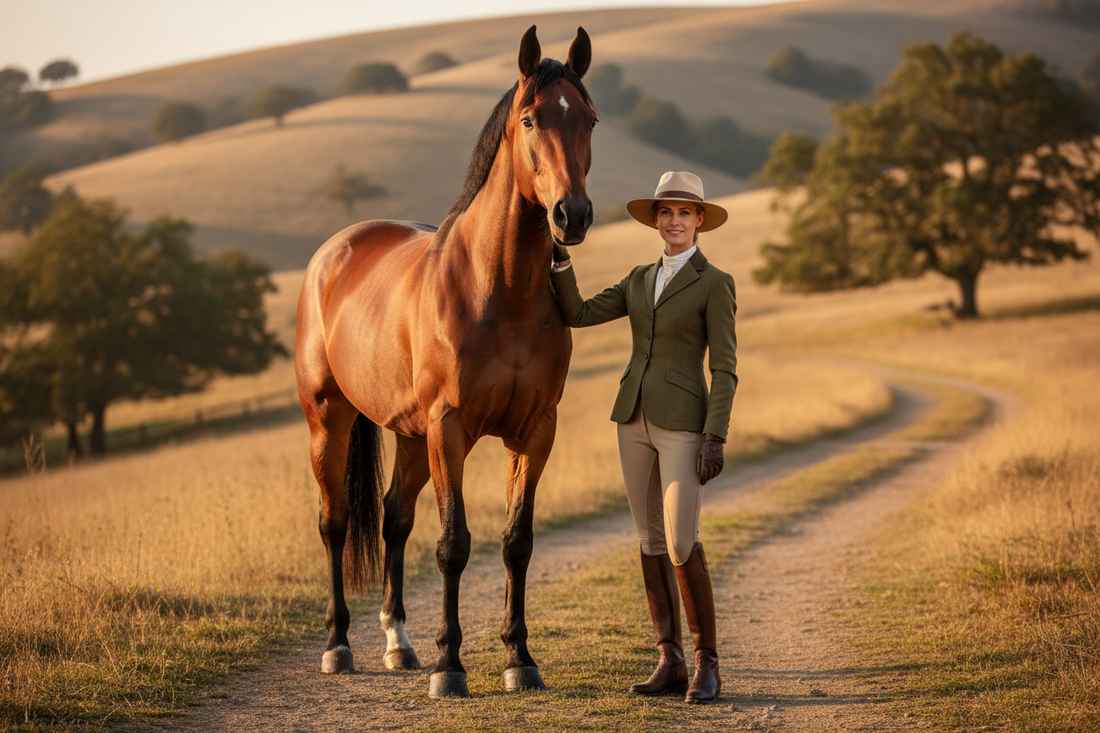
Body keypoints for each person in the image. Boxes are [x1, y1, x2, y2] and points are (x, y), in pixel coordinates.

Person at [550, 171, 736, 704]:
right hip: (631, 420)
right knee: (649, 541)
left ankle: (707, 663)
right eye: (665, 212)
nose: (674, 221)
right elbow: (578, 314)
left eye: (684, 213)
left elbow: (724, 369)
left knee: (680, 540)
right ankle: (670, 659)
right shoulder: (637, 278)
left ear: (700, 220)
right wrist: (561, 260)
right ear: (656, 220)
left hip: (684, 424)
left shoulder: (715, 282)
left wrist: (715, 435)